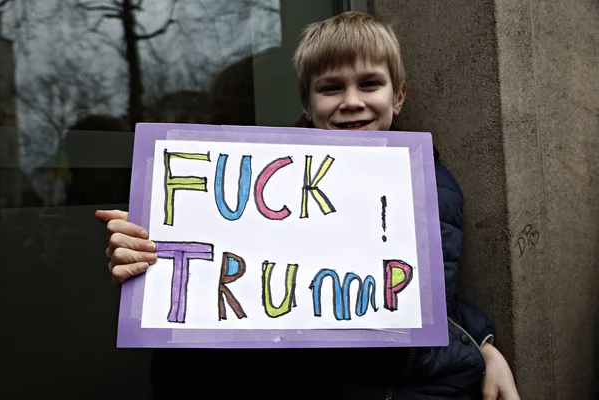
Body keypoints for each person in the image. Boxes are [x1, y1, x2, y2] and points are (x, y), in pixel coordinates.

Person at [96, 11, 520, 400]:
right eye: (332, 87)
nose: (351, 101)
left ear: (399, 96)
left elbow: (428, 296)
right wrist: (150, 262)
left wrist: (480, 344)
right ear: (306, 102)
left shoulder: (432, 185)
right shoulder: (265, 186)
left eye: (369, 84)